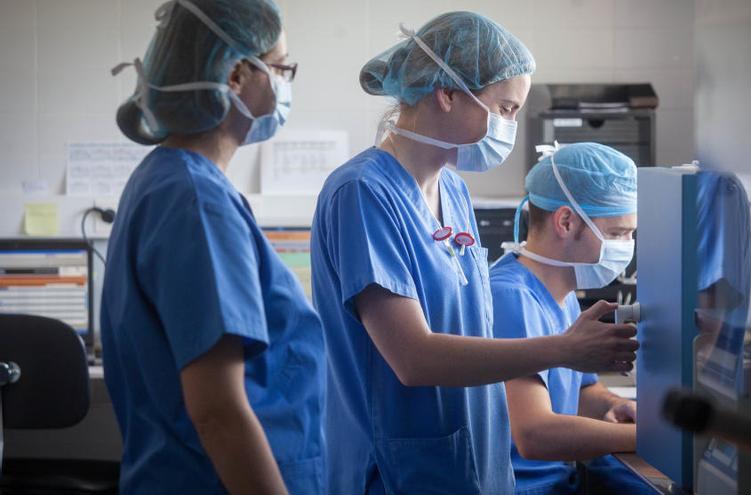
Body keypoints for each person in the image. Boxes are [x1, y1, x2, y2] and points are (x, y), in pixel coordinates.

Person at [310, 12, 638, 495]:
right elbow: (413, 358)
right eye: (504, 109)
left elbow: (471, 333)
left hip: (475, 467)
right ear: (447, 93)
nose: (509, 126)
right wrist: (564, 350)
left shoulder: (455, 194)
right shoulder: (362, 193)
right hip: (400, 474)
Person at [101, 1, 324, 493]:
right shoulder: (196, 200)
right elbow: (218, 413)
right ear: (239, 75)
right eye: (282, 68)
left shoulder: (167, 181)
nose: (286, 85)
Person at [492, 142, 652, 495]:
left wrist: (616, 406)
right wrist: (653, 437)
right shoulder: (511, 297)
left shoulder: (562, 295)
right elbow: (534, 434)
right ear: (566, 221)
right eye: (616, 233)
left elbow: (581, 391)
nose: (626, 246)